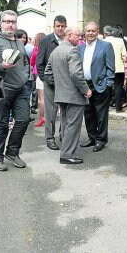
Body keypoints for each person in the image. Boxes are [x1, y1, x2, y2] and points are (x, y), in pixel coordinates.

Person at [0, 10, 30, 171]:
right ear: (1, 24)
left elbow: (24, 62)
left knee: (23, 120)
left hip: (20, 89)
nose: (10, 24)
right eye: (7, 21)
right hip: (2, 88)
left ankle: (12, 152)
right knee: (1, 124)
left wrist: (26, 76)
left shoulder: (19, 42)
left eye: (13, 22)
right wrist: (1, 66)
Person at [44, 26, 91, 164]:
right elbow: (76, 73)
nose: (80, 38)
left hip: (61, 94)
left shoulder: (56, 51)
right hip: (74, 96)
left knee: (65, 124)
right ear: (69, 35)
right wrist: (85, 90)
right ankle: (67, 154)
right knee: (73, 125)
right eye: (78, 35)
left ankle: (66, 151)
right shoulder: (73, 50)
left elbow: (47, 74)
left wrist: (60, 84)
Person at [78, 21, 115, 152]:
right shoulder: (80, 48)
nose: (90, 33)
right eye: (88, 31)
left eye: (93, 31)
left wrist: (108, 83)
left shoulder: (106, 46)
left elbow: (111, 67)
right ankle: (92, 137)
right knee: (88, 113)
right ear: (85, 32)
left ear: (97, 31)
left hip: (100, 85)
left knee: (101, 114)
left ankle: (101, 140)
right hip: (85, 85)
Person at [36, 15, 67, 150]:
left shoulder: (68, 40)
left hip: (66, 83)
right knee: (51, 112)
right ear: (54, 27)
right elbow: (39, 63)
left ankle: (64, 136)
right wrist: (46, 79)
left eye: (62, 26)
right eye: (58, 26)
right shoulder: (46, 41)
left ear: (65, 26)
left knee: (65, 111)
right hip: (51, 83)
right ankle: (50, 138)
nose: (60, 28)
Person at [103, 25, 127, 112]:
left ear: (105, 33)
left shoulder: (102, 41)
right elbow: (124, 56)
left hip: (106, 67)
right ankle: (118, 108)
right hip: (119, 67)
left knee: (106, 87)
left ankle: (106, 106)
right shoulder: (120, 41)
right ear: (112, 32)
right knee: (118, 87)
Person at [31, 32, 46, 127]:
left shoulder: (36, 49)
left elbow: (32, 61)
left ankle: (42, 118)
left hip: (39, 75)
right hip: (49, 74)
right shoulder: (49, 48)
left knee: (41, 99)